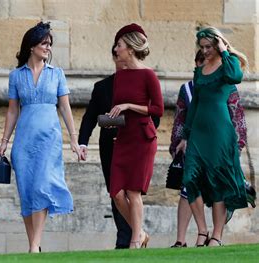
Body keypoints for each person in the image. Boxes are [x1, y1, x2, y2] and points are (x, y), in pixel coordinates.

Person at [0, 21, 82, 253]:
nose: (48, 48)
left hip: (49, 140)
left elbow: (65, 108)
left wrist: (74, 140)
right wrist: (4, 142)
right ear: (32, 46)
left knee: (42, 187)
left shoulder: (57, 74)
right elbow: (13, 110)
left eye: (50, 44)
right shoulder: (16, 76)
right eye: (44, 43)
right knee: (27, 190)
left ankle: (34, 246)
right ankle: (33, 244)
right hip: (23, 141)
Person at [169, 50, 252, 247]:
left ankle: (216, 236)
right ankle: (185, 238)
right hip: (195, 146)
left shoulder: (226, 84)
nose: (202, 65)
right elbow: (181, 118)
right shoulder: (188, 89)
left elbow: (237, 118)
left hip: (218, 146)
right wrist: (179, 144)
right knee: (188, 187)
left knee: (219, 189)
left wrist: (235, 149)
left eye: (206, 60)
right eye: (200, 61)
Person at [108, 24, 164, 249]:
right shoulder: (119, 76)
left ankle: (134, 241)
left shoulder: (148, 75)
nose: (116, 49)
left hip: (142, 138)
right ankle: (140, 233)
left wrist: (130, 105)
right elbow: (117, 108)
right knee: (117, 194)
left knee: (133, 191)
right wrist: (110, 120)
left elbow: (158, 110)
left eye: (119, 45)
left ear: (130, 48)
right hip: (123, 137)